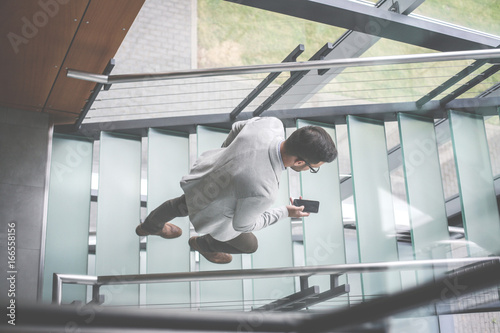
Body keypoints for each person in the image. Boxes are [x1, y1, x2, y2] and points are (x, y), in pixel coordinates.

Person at [136, 117, 337, 264]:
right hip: (214, 207)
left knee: (180, 204)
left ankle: (149, 226)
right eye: (313, 168)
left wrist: (227, 154)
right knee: (250, 246)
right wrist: (284, 212)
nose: (309, 169)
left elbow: (238, 127)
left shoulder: (272, 124)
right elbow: (242, 225)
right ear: (300, 161)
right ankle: (203, 245)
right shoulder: (265, 190)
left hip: (207, 178)